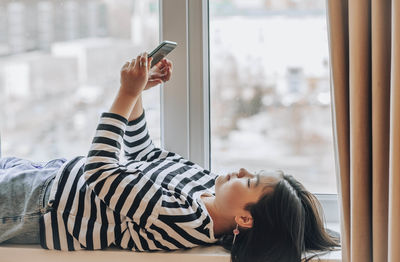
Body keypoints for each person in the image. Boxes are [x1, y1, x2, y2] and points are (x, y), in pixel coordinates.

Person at [0, 52, 340, 261]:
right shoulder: (206, 184)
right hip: (42, 174)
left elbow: (101, 172)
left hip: (35, 206)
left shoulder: (185, 222)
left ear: (245, 219)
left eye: (249, 181)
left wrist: (125, 92)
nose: (240, 170)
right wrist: (140, 94)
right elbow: (143, 153)